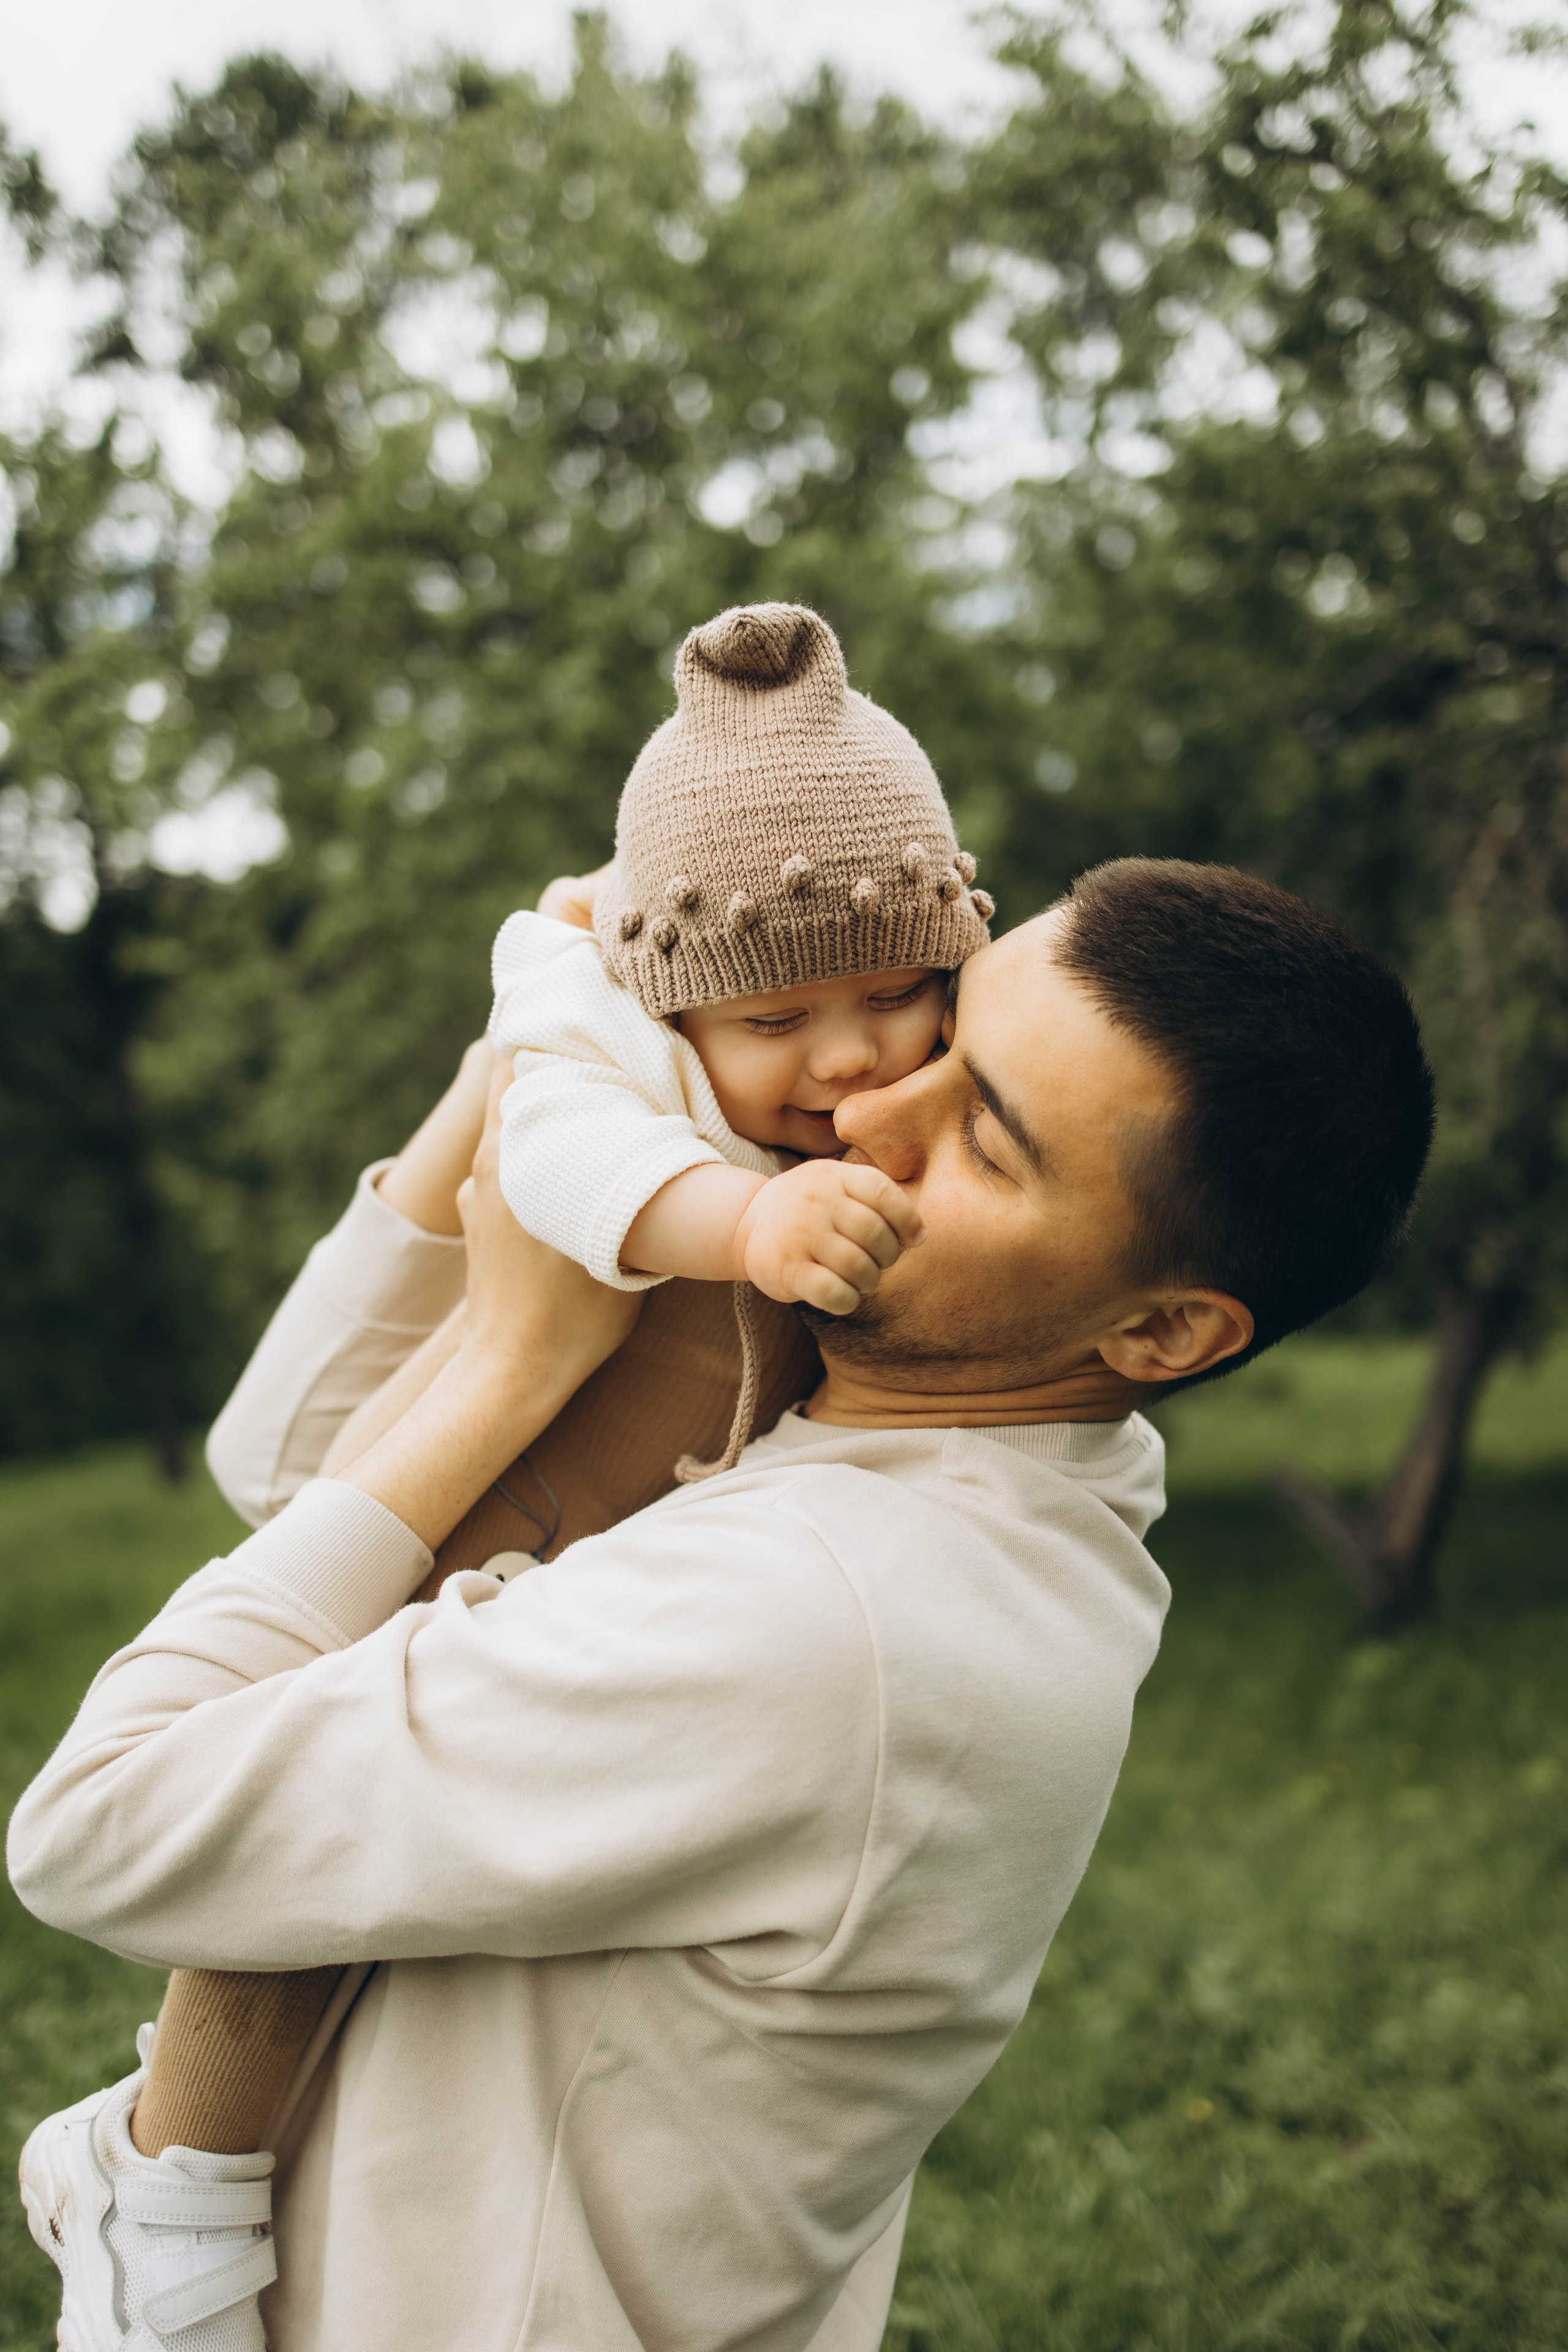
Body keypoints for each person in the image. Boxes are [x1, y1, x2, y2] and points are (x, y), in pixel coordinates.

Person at [9, 857, 1435, 2352]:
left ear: (1160, 1329)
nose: (864, 1115)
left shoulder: (826, 1612)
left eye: (983, 1145)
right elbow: (304, 1473)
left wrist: (509, 1364)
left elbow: (102, 1826)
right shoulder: (952, 1430)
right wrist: (530, 1060)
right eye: (943, 1030)